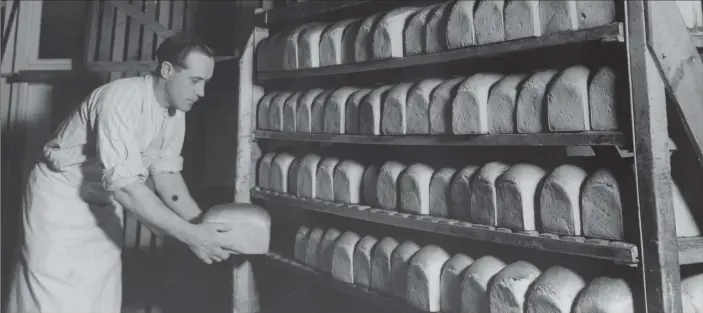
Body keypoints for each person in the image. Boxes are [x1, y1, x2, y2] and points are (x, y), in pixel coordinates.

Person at [5, 33, 236, 313]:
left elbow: (166, 176)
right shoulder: (120, 99)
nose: (201, 93)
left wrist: (202, 225)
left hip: (102, 202)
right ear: (167, 71)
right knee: (51, 297)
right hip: (59, 201)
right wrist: (190, 235)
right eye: (195, 81)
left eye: (206, 83)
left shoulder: (175, 113)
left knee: (100, 297)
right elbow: (126, 188)